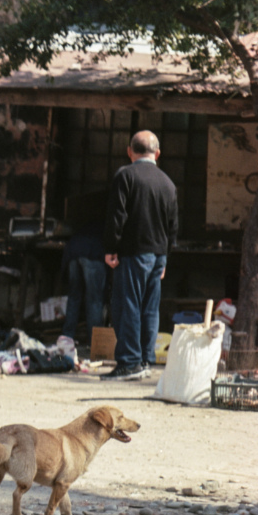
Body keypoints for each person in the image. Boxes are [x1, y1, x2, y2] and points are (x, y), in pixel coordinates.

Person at [101, 130, 178, 380]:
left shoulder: (126, 175)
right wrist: (165, 255)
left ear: (129, 151)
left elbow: (117, 216)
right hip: (158, 254)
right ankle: (145, 359)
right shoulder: (168, 183)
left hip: (134, 252)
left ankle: (129, 362)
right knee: (150, 309)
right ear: (157, 153)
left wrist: (111, 248)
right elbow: (172, 225)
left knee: (128, 305)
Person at [60, 220, 107, 343]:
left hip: (73, 251)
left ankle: (67, 337)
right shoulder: (105, 225)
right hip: (92, 253)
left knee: (74, 297)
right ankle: (95, 342)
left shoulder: (86, 226)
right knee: (94, 300)